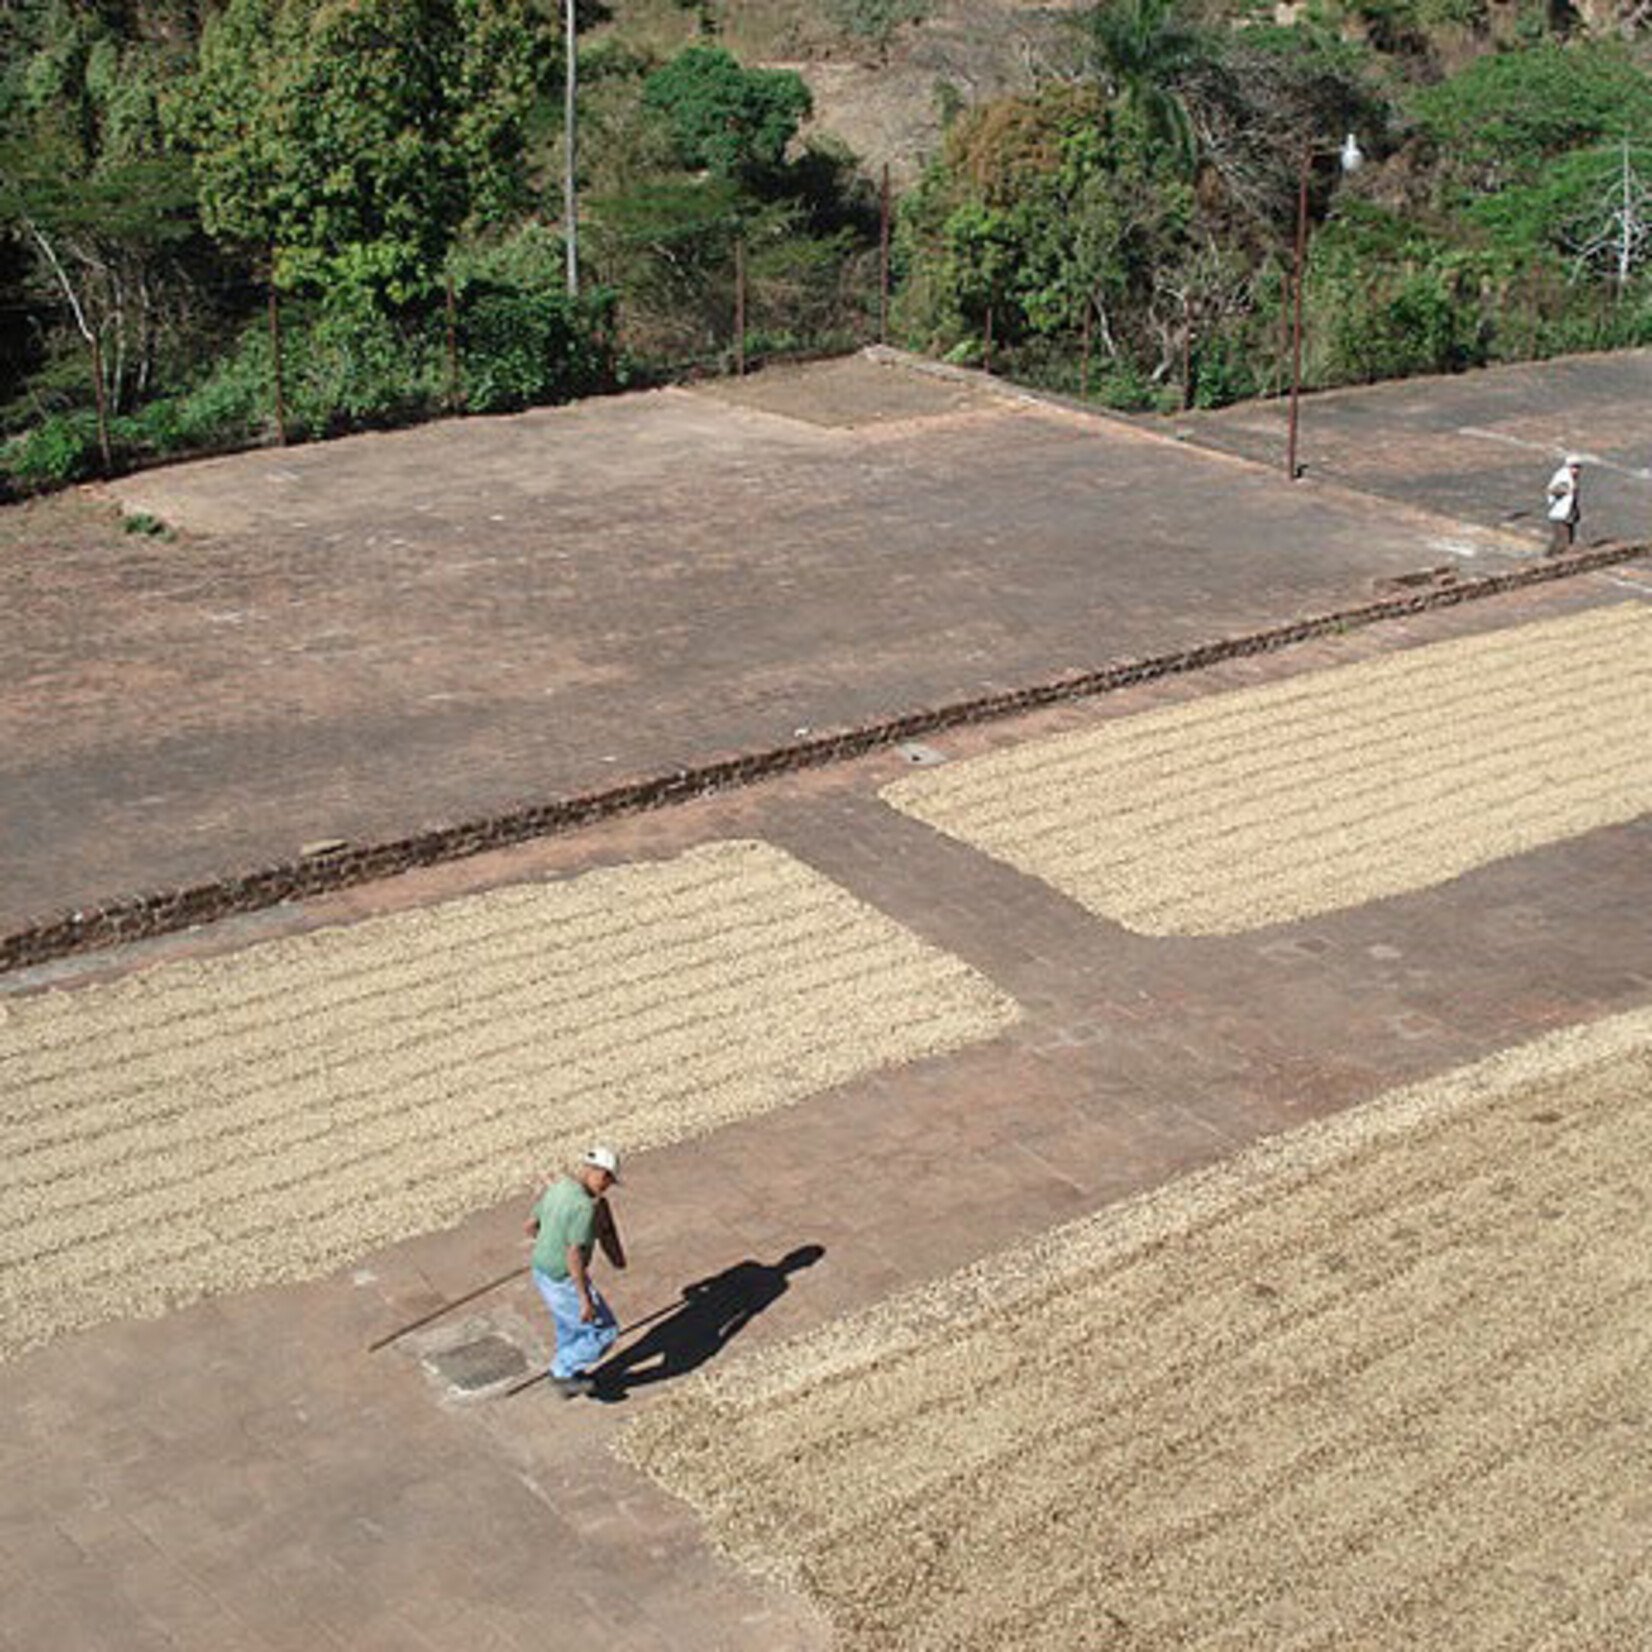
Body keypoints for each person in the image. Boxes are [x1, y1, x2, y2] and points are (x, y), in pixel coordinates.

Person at [525, 1145, 627, 1398]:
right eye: (607, 1180)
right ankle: (561, 1372)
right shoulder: (584, 1207)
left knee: (568, 1326)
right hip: (563, 1279)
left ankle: (570, 1372)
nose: (606, 1187)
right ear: (598, 1174)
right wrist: (584, 1299)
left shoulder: (558, 1188)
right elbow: (574, 1255)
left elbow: (530, 1226)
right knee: (604, 1331)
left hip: (541, 1270)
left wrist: (550, 1243)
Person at [1545, 455, 1582, 554]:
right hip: (1559, 515)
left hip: (1569, 515)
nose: (1576, 470)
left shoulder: (1572, 479)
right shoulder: (1563, 477)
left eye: (1578, 467)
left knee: (1567, 539)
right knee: (1562, 540)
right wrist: (1564, 490)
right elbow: (1553, 490)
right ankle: (1550, 558)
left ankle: (1552, 557)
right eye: (1574, 467)